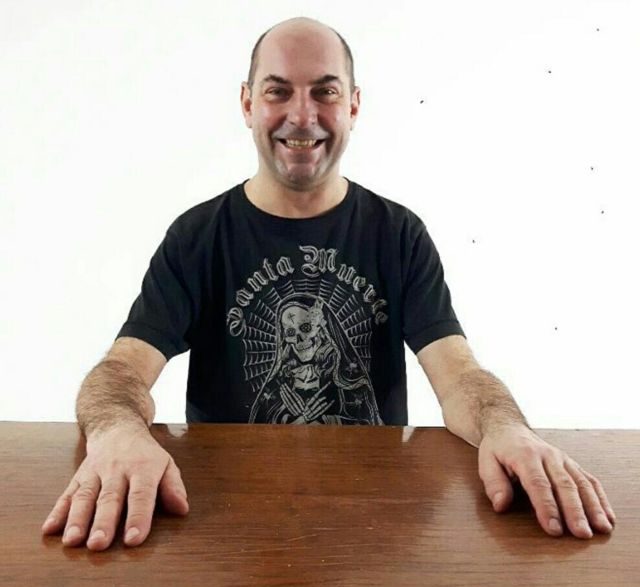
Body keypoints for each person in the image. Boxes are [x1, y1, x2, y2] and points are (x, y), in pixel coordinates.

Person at [41, 16, 616, 552]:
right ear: (247, 104)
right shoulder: (198, 238)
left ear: (353, 105)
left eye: (325, 91)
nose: (302, 114)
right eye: (278, 91)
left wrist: (506, 428)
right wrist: (117, 431)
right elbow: (121, 372)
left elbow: (459, 376)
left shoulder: (398, 235)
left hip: (370, 531)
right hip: (227, 528)